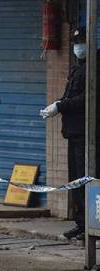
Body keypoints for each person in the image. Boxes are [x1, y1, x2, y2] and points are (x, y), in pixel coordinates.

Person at [41, 26, 97, 241]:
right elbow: (69, 95)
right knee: (75, 180)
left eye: (80, 43)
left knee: (87, 180)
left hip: (88, 134)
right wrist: (57, 106)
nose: (77, 48)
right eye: (75, 44)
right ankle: (82, 223)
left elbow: (87, 98)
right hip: (73, 132)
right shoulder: (78, 68)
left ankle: (91, 225)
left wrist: (60, 106)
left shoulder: (94, 67)